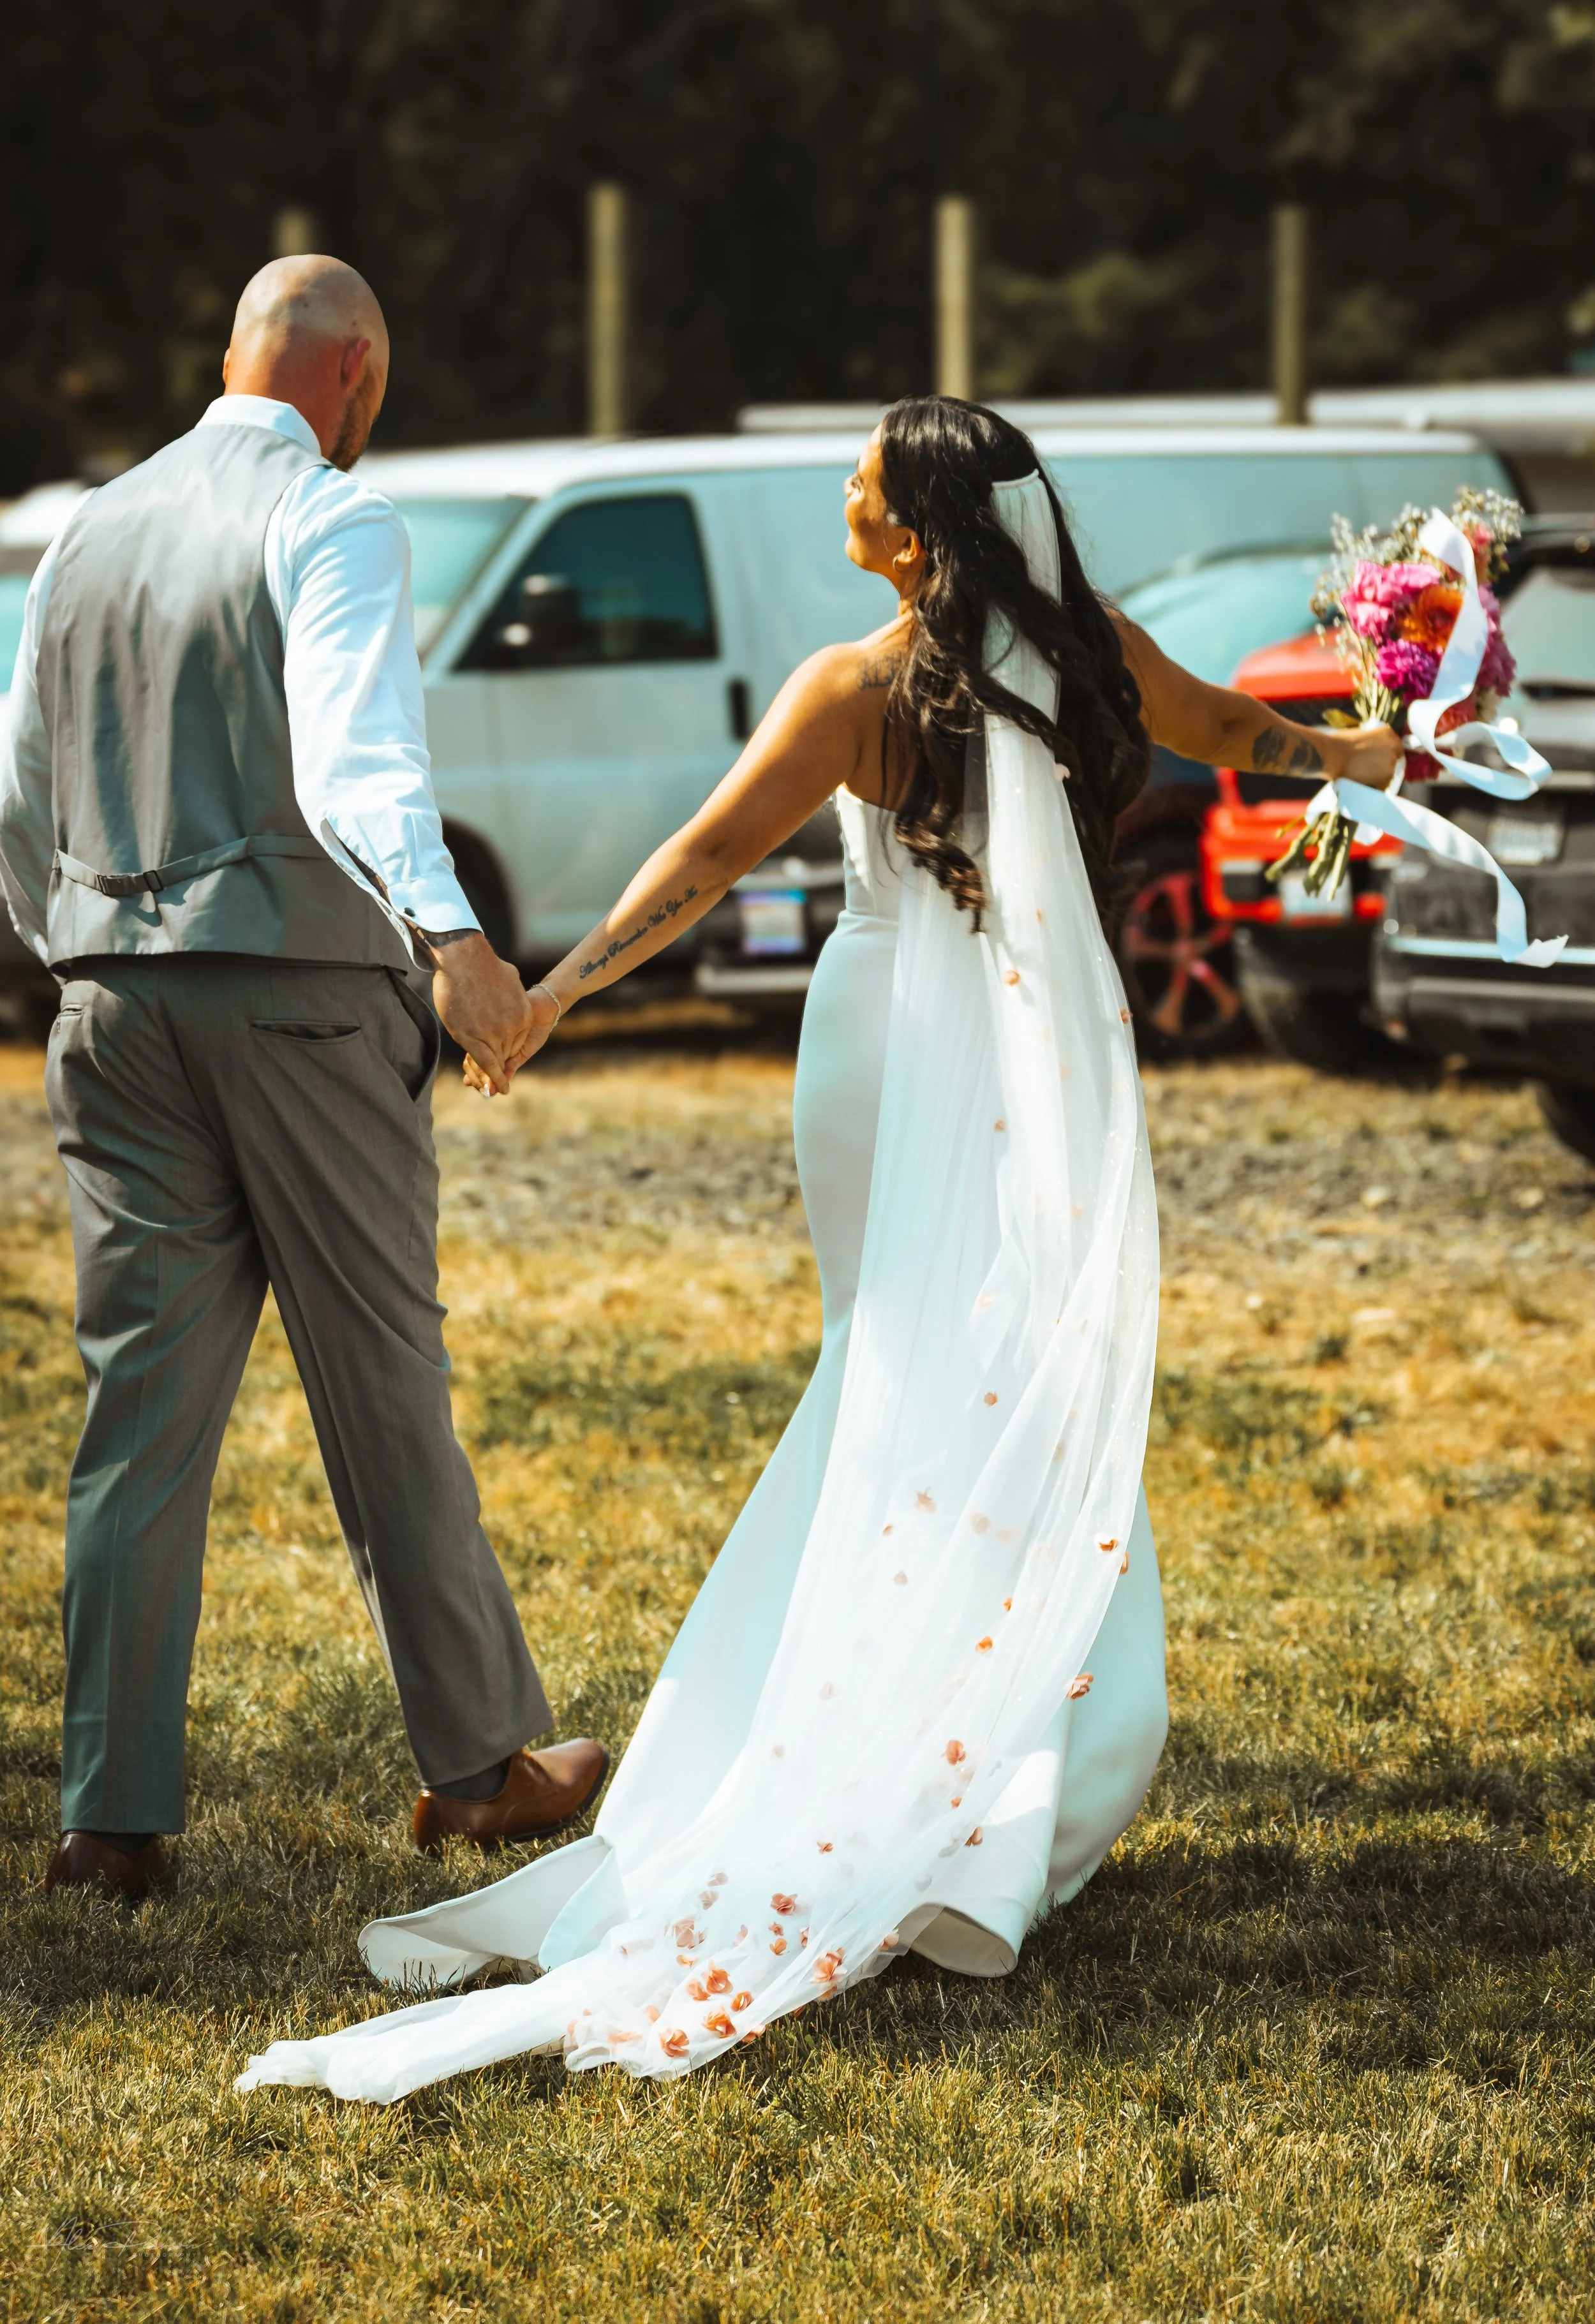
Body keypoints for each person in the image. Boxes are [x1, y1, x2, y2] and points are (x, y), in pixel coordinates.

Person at [239, 397, 1400, 2101]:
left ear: (916, 533)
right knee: (1010, 1356)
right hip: (1043, 1052)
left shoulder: (852, 691)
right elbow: (1231, 726)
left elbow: (705, 863)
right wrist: (1366, 757)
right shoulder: (1088, 657)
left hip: (879, 1044)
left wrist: (552, 997)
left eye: (864, 476)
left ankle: (910, 1738)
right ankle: (1014, 1764)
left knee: (895, 1355)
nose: (841, 491)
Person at [0, 256, 606, 1902]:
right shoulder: (338, 519)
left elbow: (18, 793)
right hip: (301, 1002)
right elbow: (357, 759)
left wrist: (83, 946)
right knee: (381, 1378)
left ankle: (109, 1818)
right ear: (357, 374)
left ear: (234, 359)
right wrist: (453, 940)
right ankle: (484, 1766)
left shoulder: (82, 533)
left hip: (109, 999)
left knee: (138, 1412)